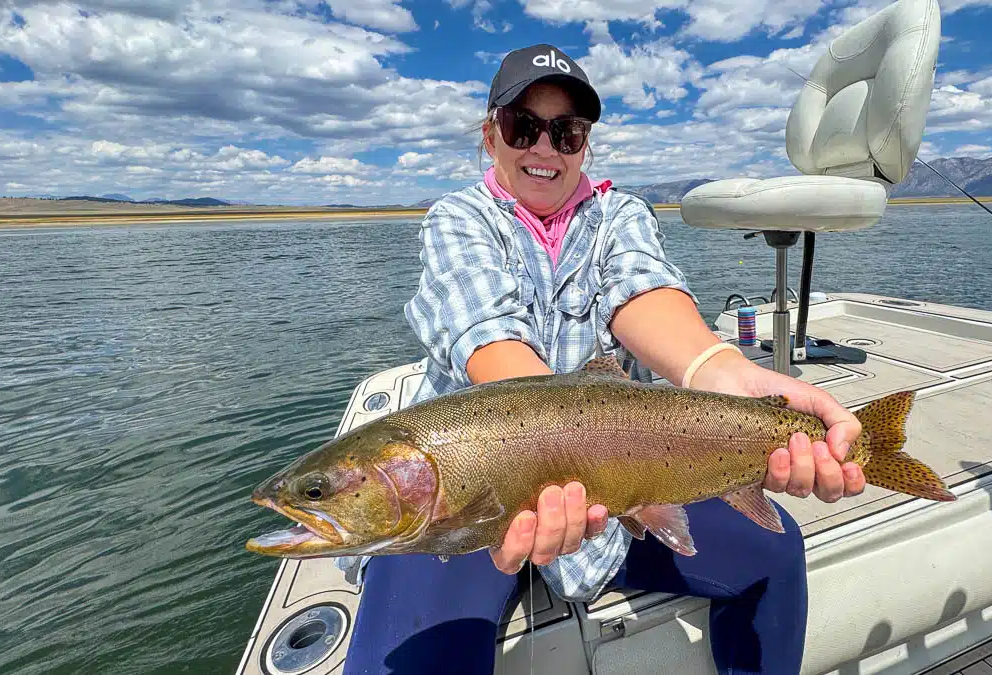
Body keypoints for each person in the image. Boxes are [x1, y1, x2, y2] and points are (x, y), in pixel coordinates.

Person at [342, 43, 866, 675]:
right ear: (490, 136)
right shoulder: (458, 218)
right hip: (459, 494)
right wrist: (543, 462)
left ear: (584, 144)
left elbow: (644, 296)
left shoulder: (620, 215)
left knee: (775, 555)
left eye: (566, 132)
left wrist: (723, 370)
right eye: (523, 127)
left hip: (620, 486)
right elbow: (484, 330)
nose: (544, 147)